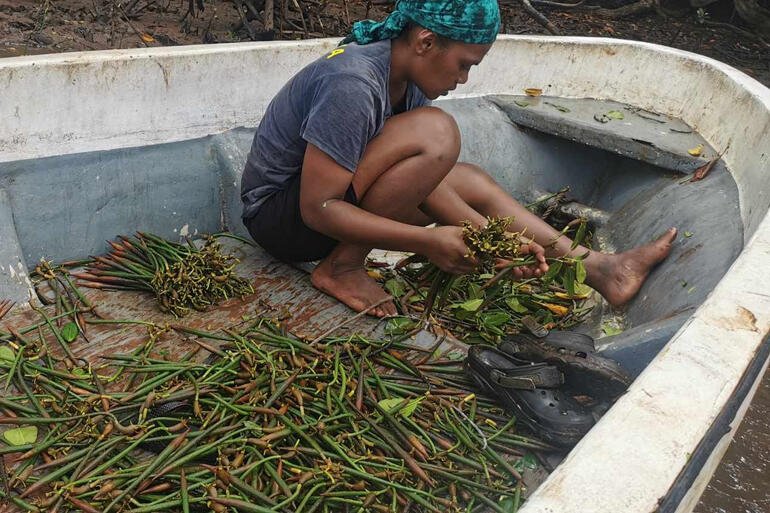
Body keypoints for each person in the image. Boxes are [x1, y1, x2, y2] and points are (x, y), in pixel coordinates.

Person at [241, 0, 677, 318]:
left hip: (316, 209)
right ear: (426, 42)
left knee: (467, 178)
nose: (462, 80)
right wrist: (430, 242)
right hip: (282, 222)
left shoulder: (404, 78)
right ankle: (341, 267)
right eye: (463, 65)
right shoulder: (354, 83)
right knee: (437, 132)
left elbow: (422, 183)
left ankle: (600, 269)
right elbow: (316, 209)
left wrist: (494, 243)